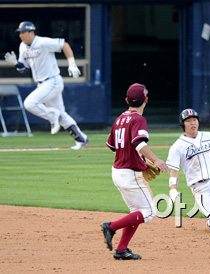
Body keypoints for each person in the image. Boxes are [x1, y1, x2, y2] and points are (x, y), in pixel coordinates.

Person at [101, 83, 169, 260]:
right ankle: (111, 226)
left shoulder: (119, 119)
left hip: (118, 171)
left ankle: (122, 249)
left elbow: (111, 145)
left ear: (126, 100)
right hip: (129, 174)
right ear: (146, 100)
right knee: (149, 212)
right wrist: (156, 160)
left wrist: (141, 160)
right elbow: (139, 144)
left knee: (136, 212)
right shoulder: (138, 119)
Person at [3, 21, 88, 150]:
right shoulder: (22, 46)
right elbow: (24, 68)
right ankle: (81, 139)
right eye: (19, 33)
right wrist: (15, 63)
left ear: (31, 32)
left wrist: (72, 64)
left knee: (30, 103)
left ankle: (53, 116)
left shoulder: (42, 42)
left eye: (23, 32)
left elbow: (64, 45)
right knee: (62, 114)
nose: (21, 35)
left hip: (52, 80)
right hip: (42, 84)